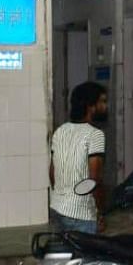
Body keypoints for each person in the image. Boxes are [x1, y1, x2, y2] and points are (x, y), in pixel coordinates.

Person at [48, 82, 107, 234]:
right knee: (85, 257)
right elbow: (95, 180)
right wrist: (100, 212)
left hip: (56, 208)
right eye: (102, 102)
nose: (105, 107)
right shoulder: (95, 135)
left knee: (65, 255)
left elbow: (52, 173)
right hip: (81, 214)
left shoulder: (60, 131)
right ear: (90, 106)